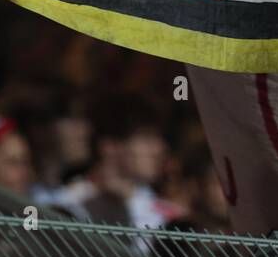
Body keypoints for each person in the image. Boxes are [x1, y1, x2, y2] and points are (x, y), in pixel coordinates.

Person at [41, 91, 181, 229]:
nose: (159, 148)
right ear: (110, 146)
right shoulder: (63, 208)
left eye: (159, 138)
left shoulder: (169, 218)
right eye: (146, 139)